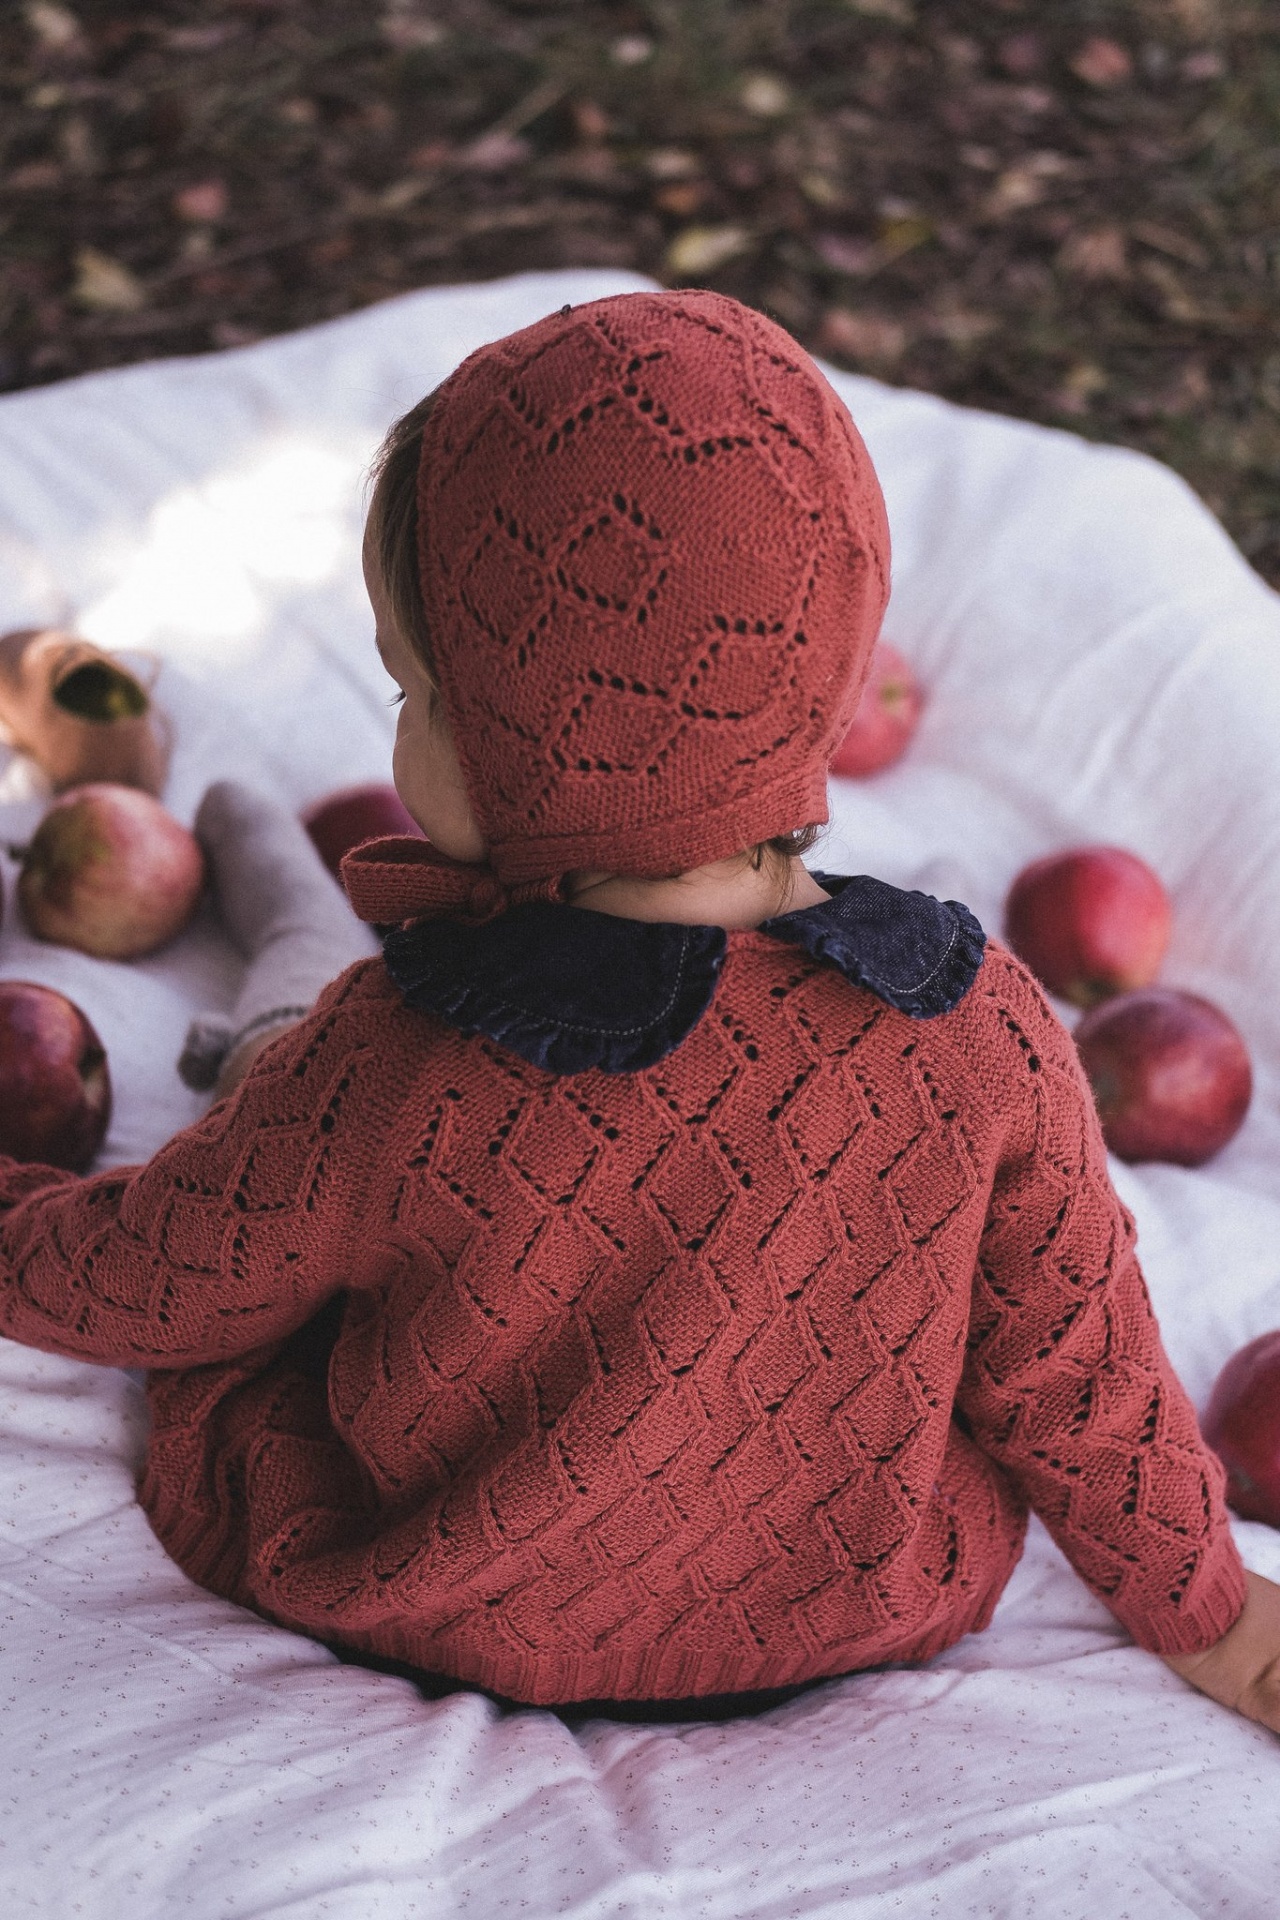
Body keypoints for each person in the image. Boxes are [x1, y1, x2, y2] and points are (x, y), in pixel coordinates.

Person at [0, 288, 1277, 1727]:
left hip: (453, 1597)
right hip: (855, 1600)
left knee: (283, 1039)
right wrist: (1215, 1615)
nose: (401, 728)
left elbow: (151, 1277)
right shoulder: (986, 1036)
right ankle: (228, 846)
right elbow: (1080, 1378)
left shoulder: (400, 1058)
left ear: (522, 738)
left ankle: (227, 831)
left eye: (413, 692)